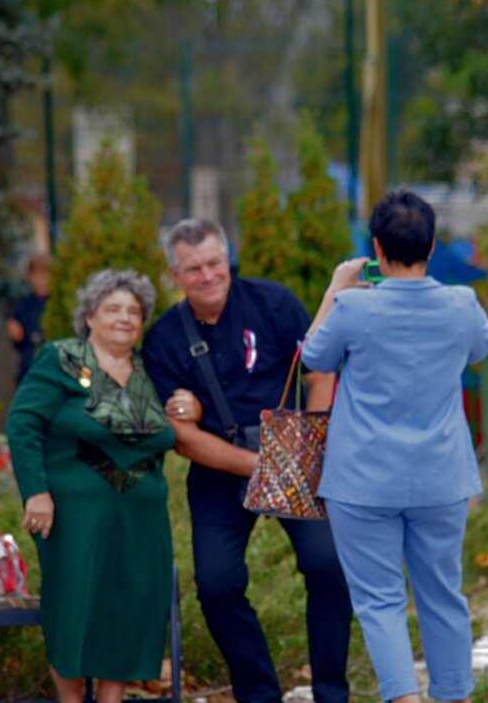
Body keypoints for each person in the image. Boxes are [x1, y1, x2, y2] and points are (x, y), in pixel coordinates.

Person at [142, 218, 352, 703]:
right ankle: (259, 694)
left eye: (215, 262)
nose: (207, 275)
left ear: (227, 257)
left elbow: (320, 372)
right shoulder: (164, 339)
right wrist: (256, 466)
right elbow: (182, 438)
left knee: (329, 566)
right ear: (176, 274)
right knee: (216, 587)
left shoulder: (273, 302)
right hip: (219, 470)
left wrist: (309, 446)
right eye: (193, 269)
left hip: (293, 456)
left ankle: (331, 692)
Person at [301, 190, 488, 703]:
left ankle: (404, 699)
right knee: (442, 596)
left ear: (375, 246)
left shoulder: (352, 307)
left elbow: (313, 356)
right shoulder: (463, 304)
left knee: (379, 600)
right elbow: (482, 348)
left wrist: (334, 287)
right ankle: (452, 695)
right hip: (441, 477)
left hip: (362, 481)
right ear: (432, 245)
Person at [6, 269, 176, 703]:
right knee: (74, 605)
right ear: (90, 317)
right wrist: (35, 492)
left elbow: (176, 421)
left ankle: (111, 699)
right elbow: (23, 423)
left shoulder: (150, 367)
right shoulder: (61, 359)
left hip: (141, 516)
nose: (125, 318)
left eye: (134, 311)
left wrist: (189, 405)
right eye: (113, 309)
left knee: (128, 606)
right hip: (73, 514)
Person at [6, 254, 51, 383]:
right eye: (38, 275)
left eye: (47, 275)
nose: (43, 281)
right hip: (30, 369)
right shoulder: (23, 306)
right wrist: (16, 335)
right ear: (29, 277)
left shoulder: (58, 305)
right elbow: (18, 344)